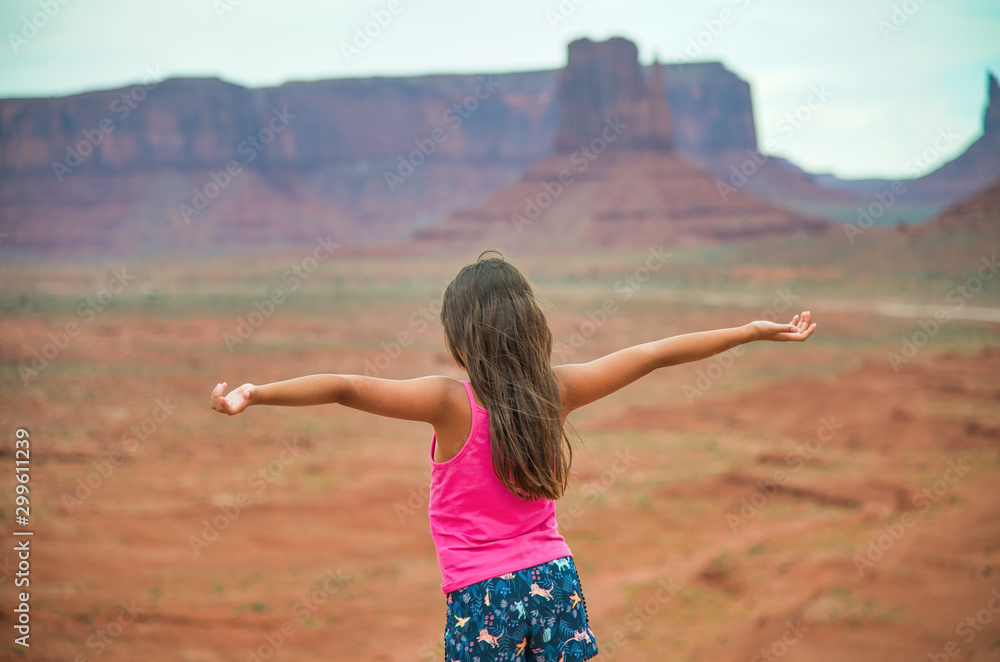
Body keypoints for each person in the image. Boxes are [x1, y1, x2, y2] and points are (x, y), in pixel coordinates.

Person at [210, 250, 817, 661]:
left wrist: (255, 394)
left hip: (482, 597)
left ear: (459, 336)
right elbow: (654, 352)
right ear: (531, 325)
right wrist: (750, 332)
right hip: (556, 582)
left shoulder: (449, 403)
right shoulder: (556, 391)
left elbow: (346, 386)